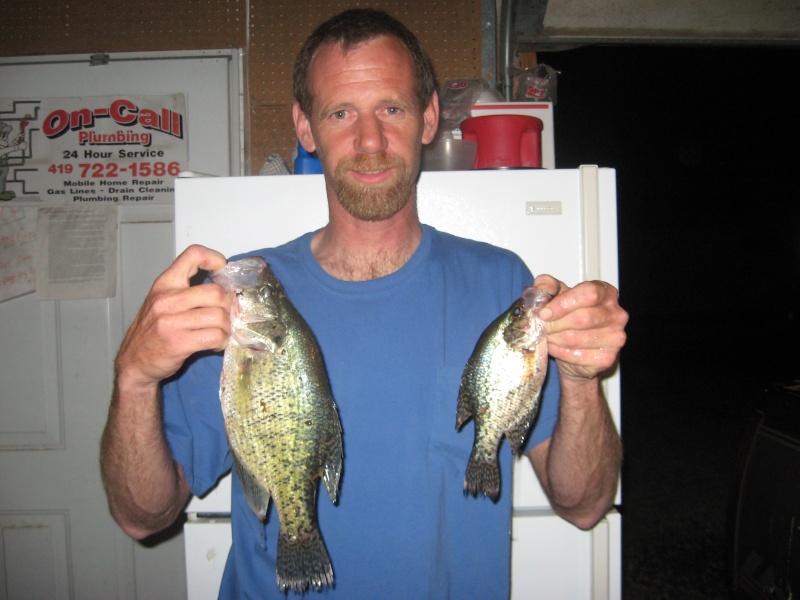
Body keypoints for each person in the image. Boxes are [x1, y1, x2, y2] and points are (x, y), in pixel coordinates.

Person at [100, 8, 627, 599]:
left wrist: (582, 379)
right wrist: (134, 378)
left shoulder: (501, 283)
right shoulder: (237, 298)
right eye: (341, 112)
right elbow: (141, 516)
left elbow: (584, 507)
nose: (370, 141)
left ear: (428, 117)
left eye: (392, 109)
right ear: (306, 127)